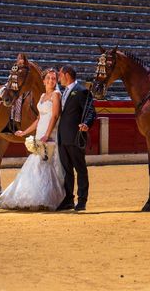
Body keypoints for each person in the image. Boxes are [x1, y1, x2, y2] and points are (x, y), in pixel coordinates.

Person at [0, 68, 65, 211]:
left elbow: (54, 116)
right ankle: (38, 197)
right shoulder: (42, 96)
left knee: (46, 165)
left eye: (53, 78)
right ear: (43, 80)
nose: (51, 81)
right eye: (48, 78)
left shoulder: (56, 95)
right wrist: (25, 131)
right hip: (40, 133)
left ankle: (46, 198)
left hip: (49, 134)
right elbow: (38, 119)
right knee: (38, 166)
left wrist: (47, 134)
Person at [56, 65, 96, 212]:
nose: (58, 78)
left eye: (60, 75)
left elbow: (91, 111)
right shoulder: (63, 92)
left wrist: (86, 124)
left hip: (75, 136)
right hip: (63, 137)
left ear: (66, 75)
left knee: (80, 169)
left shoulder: (82, 91)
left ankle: (82, 200)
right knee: (66, 170)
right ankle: (68, 200)